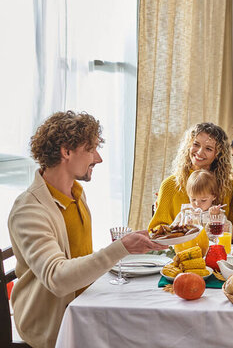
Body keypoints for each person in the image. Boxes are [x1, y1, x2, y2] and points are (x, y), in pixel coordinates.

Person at [7, 111, 163, 348]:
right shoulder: (29, 210)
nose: (98, 158)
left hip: (85, 306)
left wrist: (129, 247)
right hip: (55, 326)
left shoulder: (76, 195)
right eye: (90, 149)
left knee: (153, 321)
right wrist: (120, 248)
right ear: (66, 151)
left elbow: (78, 258)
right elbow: (57, 278)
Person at [148, 123, 233, 251]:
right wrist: (177, 229)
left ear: (218, 154)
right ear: (189, 145)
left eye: (208, 149)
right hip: (181, 253)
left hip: (217, 254)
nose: (200, 152)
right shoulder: (170, 185)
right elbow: (156, 230)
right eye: (196, 144)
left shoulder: (228, 185)